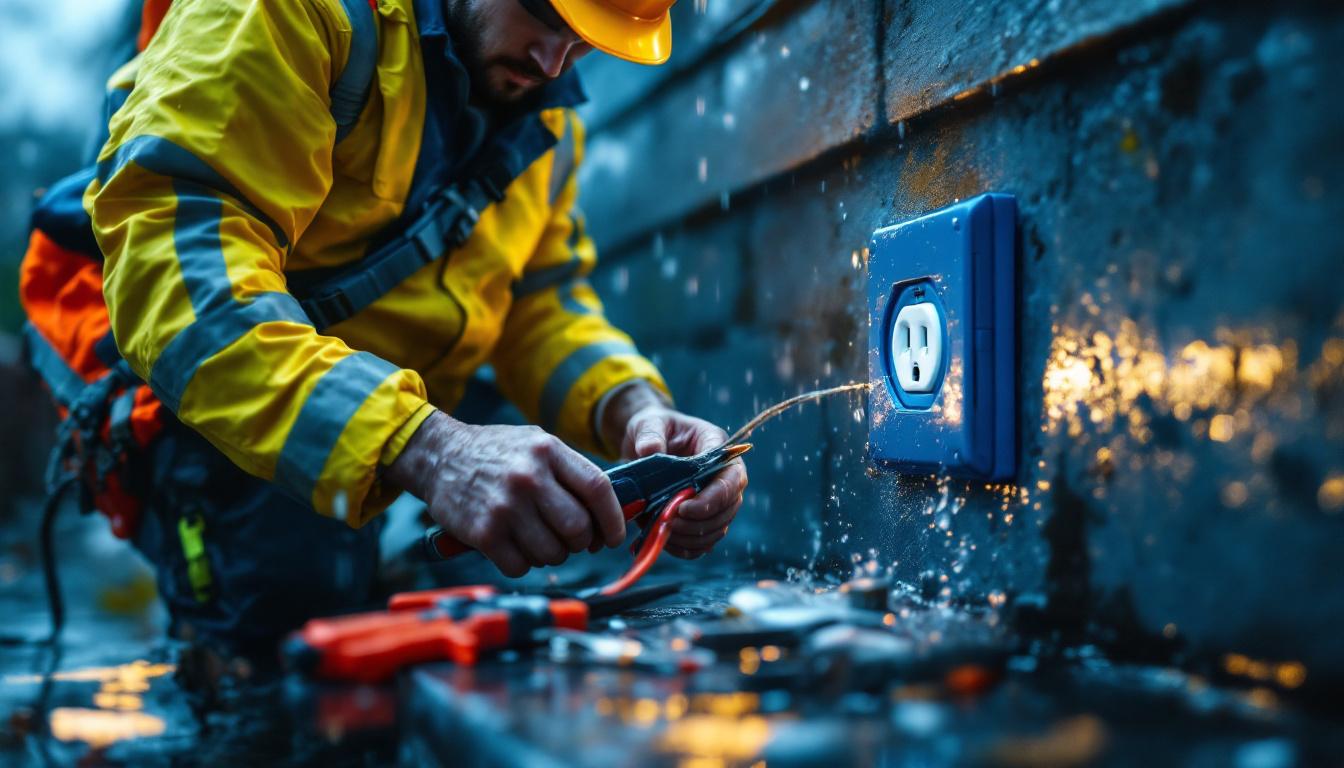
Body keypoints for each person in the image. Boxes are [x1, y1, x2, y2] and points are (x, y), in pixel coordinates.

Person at [20, 0, 747, 664]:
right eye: (542, 14)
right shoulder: (283, 14)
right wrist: (429, 449)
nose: (554, 63)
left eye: (586, 41)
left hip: (402, 414)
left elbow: (539, 303)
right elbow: (182, 292)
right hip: (205, 403)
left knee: (550, 570)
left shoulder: (544, 118)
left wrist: (632, 408)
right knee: (287, 636)